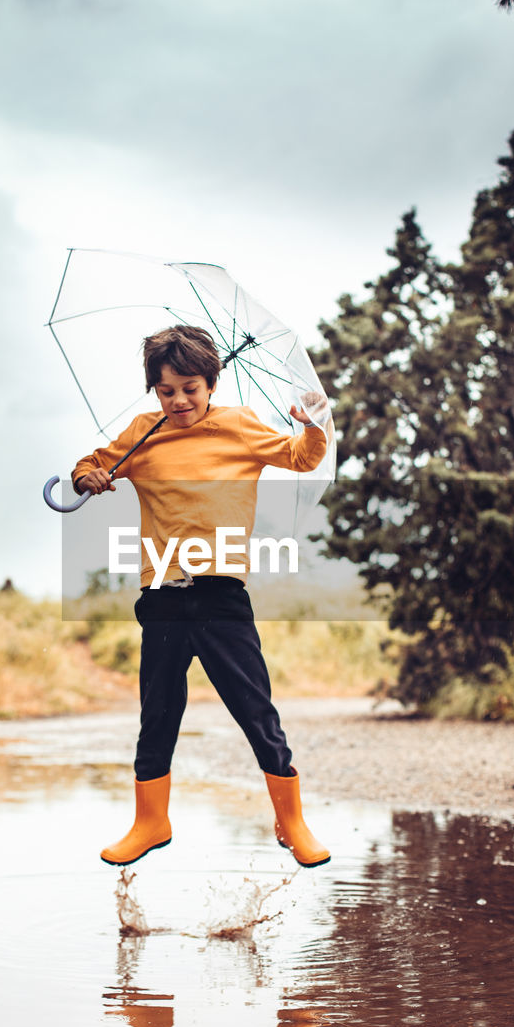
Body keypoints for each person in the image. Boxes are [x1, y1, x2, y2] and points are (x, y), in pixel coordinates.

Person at [72, 324, 330, 868]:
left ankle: (292, 821)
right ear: (154, 391)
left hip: (221, 597)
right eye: (167, 391)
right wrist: (87, 479)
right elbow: (91, 464)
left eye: (190, 388)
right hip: (162, 594)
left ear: (211, 382)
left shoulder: (239, 427)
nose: (180, 400)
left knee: (255, 710)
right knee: (157, 713)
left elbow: (302, 458)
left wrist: (311, 425)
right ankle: (150, 822)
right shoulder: (144, 433)